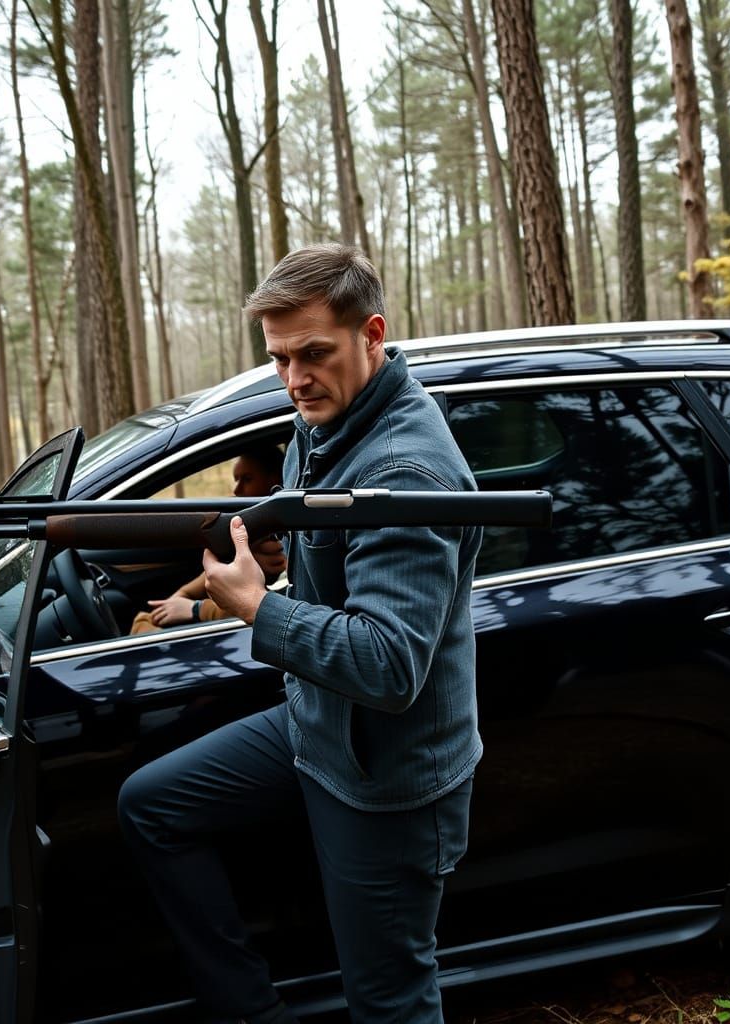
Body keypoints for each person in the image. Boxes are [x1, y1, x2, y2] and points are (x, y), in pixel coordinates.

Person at [118, 244, 482, 1024]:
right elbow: (323, 572)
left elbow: (388, 665)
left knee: (390, 1000)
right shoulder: (321, 428)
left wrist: (255, 608)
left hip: (384, 769)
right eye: (280, 358)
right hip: (320, 726)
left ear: (372, 334)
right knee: (154, 806)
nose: (294, 379)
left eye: (313, 354)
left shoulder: (404, 472)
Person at [129, 446, 285, 633]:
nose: (236, 490)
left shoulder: (286, 544)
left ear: (274, 481)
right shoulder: (249, 536)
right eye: (236, 480)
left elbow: (273, 613)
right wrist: (177, 604)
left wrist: (196, 609)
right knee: (144, 620)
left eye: (248, 479)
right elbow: (187, 593)